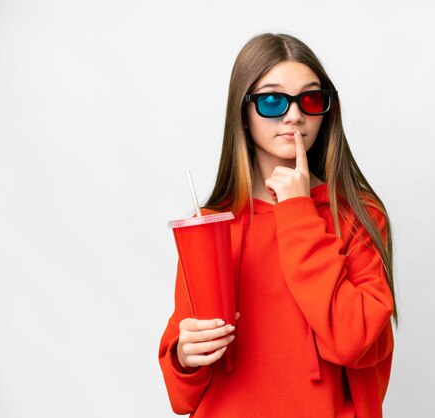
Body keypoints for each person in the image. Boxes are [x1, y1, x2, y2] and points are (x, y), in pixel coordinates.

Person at [158, 32, 397, 417]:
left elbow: (354, 341)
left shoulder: (357, 216)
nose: (294, 115)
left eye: (311, 98)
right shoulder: (211, 225)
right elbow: (181, 396)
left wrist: (298, 210)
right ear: (243, 110)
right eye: (272, 100)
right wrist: (185, 355)